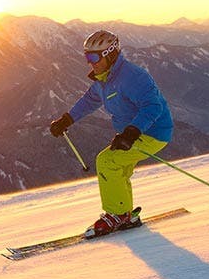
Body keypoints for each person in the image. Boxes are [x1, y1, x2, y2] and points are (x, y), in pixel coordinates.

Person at [49, 30, 174, 237]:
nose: (90, 62)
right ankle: (125, 214)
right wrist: (67, 120)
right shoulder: (104, 80)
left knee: (107, 161)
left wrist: (131, 133)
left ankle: (117, 214)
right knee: (119, 169)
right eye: (87, 57)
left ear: (110, 54)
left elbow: (153, 107)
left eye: (94, 57)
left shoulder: (133, 77)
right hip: (133, 133)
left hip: (152, 132)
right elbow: (89, 100)